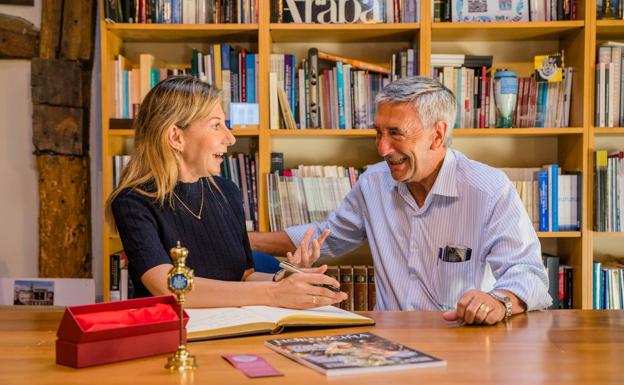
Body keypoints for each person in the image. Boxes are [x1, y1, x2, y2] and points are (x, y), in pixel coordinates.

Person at [250, 76, 552, 324]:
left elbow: (529, 274)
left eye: (396, 133)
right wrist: (243, 240)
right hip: (386, 346)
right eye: (378, 132)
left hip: (463, 344)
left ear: (437, 135)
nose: (382, 148)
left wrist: (500, 301)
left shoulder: (488, 189)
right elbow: (324, 237)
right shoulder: (373, 182)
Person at [106, 76, 346, 309]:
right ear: (176, 137)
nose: (230, 138)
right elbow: (168, 286)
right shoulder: (132, 202)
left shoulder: (227, 192)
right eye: (216, 126)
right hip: (176, 336)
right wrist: (274, 293)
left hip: (234, 331)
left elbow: (243, 278)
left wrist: (285, 278)